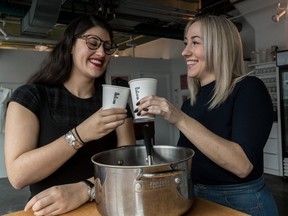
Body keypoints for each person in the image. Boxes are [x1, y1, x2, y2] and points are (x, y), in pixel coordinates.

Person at [135, 15, 278, 216]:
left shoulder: (248, 89)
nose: (185, 52)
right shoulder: (190, 103)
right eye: (186, 43)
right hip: (194, 196)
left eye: (195, 42)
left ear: (219, 46)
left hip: (239, 202)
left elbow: (242, 165)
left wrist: (180, 119)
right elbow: (194, 159)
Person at [4, 15, 135, 215]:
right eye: (92, 42)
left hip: (107, 208)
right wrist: (81, 133)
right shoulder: (31, 96)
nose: (101, 52)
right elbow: (18, 176)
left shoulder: (115, 99)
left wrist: (86, 189)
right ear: (71, 46)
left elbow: (129, 165)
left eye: (107, 47)